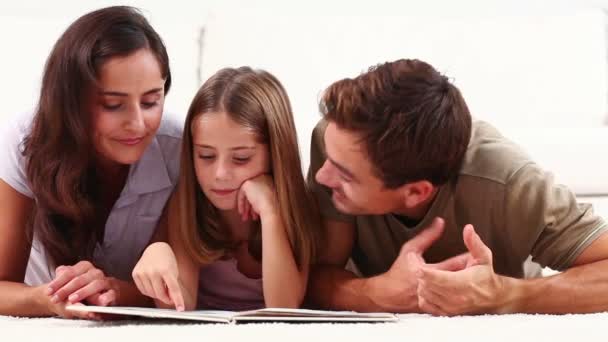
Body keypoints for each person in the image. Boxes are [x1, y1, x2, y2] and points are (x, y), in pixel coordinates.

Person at [306, 58, 608, 315]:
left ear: (416, 192)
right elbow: (312, 276)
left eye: (345, 176)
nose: (321, 177)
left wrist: (506, 294)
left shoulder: (510, 181)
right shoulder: (336, 140)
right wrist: (372, 293)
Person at [0, 6, 181, 318]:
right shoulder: (24, 139)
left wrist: (112, 291)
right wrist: (46, 299)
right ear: (71, 102)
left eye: (152, 101)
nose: (137, 124)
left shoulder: (178, 147)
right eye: (113, 105)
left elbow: (175, 289)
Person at [132, 67, 322, 311]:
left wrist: (271, 212)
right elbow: (180, 308)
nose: (220, 174)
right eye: (206, 155)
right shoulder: (190, 206)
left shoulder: (297, 208)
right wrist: (157, 253)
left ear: (275, 155)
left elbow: (283, 309)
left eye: (241, 158)